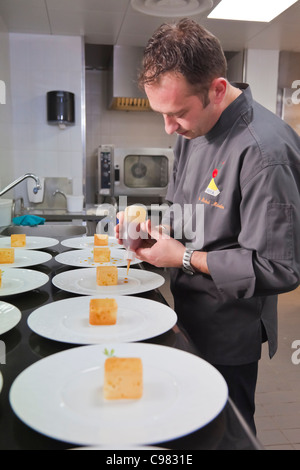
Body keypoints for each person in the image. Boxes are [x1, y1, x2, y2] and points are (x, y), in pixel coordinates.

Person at [115, 18, 300, 434]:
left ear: (217, 90)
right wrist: (149, 228)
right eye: (162, 114)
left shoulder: (264, 153)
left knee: (226, 433)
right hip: (188, 312)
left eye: (177, 113)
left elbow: (280, 268)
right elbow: (180, 208)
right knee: (187, 425)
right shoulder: (191, 130)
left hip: (229, 326)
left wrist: (183, 257)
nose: (169, 128)